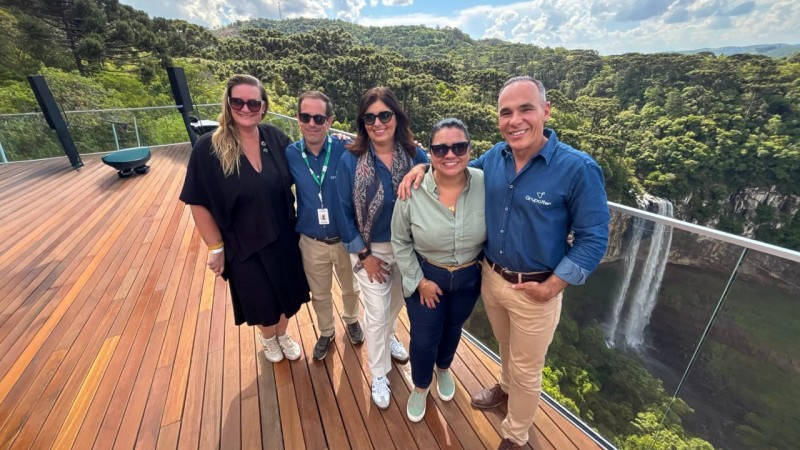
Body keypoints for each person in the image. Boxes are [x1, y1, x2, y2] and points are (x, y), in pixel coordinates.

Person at [400, 76, 610, 449]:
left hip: (537, 288)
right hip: (490, 278)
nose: (516, 120)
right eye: (506, 112)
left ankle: (515, 434)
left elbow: (594, 238)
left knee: (528, 369)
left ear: (546, 110)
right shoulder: (493, 159)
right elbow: (452, 168)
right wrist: (420, 169)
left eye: (526, 109)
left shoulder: (577, 169)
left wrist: (553, 286)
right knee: (505, 345)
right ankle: (504, 389)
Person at [180, 74, 310, 364]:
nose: (246, 108)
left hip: (284, 236)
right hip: (244, 243)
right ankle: (268, 338)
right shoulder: (209, 147)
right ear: (228, 104)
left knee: (288, 294)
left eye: (254, 102)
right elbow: (197, 201)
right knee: (262, 298)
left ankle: (282, 333)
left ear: (264, 106)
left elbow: (306, 160)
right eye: (238, 101)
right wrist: (215, 247)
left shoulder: (274, 137)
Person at [337, 86, 429, 409]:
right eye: (370, 117)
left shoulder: (414, 154)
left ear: (396, 117)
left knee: (394, 305)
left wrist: (423, 167)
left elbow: (442, 175)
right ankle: (378, 373)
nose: (378, 123)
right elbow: (343, 213)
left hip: (407, 248)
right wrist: (365, 255)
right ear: (362, 122)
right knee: (375, 314)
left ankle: (389, 336)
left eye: (384, 115)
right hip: (369, 248)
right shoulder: (350, 160)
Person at [391, 118, 486, 422]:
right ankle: (420, 386)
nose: (450, 154)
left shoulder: (485, 182)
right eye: (440, 148)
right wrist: (419, 282)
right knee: (423, 337)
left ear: (469, 150)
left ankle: (443, 368)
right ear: (429, 153)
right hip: (427, 276)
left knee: (453, 327)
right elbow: (399, 239)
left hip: (469, 277)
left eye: (458, 147)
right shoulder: (413, 189)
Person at [285, 91, 364, 360]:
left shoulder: (346, 148)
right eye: (305, 117)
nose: (312, 123)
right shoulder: (291, 154)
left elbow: (380, 149)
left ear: (329, 121)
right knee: (319, 294)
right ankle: (326, 331)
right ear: (297, 118)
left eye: (319, 118)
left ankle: (352, 319)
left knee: (351, 288)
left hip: (345, 238)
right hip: (311, 240)